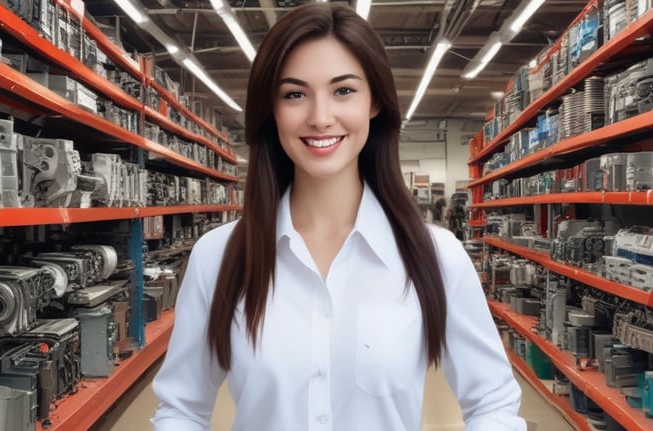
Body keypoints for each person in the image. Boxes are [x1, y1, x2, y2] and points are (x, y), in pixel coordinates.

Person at [151, 3, 525, 430]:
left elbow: (493, 403)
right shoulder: (218, 257)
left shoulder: (437, 257)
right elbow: (181, 409)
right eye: (295, 94)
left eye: (343, 90)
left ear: (374, 102)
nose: (320, 117)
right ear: (271, 111)